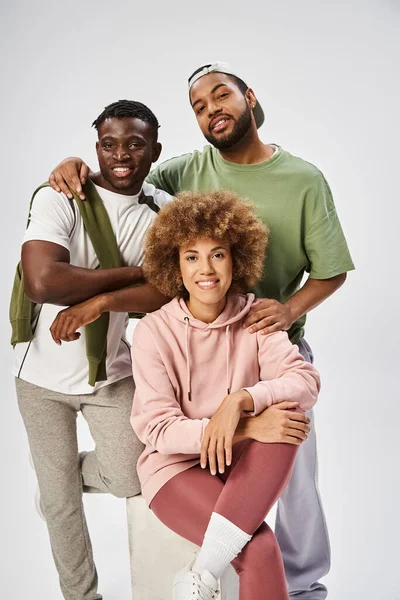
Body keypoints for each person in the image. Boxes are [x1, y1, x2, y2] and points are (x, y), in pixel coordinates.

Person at [47, 62, 355, 599]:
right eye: (198, 105)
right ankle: (216, 567)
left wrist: (281, 317)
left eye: (221, 96)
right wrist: (76, 167)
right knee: (258, 515)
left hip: (266, 330)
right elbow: (126, 174)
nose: (212, 109)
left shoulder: (304, 179)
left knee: (293, 456)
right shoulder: (186, 172)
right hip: (195, 365)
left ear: (249, 97)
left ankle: (300, 586)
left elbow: (331, 271)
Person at [10, 99, 172, 600]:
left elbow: (167, 289)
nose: (120, 155)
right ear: (95, 148)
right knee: (60, 510)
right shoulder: (61, 195)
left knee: (132, 475)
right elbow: (42, 280)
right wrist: (132, 274)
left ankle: (60, 476)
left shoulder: (163, 212)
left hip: (110, 376)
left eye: (135, 144)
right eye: (108, 144)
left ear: (155, 151)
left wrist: (101, 300)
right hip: (39, 380)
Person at [130, 190, 320, 600]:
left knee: (287, 411)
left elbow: (305, 381)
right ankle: (204, 574)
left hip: (239, 467)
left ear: (236, 259)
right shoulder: (152, 332)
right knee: (262, 548)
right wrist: (243, 426)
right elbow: (158, 430)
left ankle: (199, 575)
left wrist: (239, 402)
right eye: (191, 256)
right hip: (175, 472)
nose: (206, 269)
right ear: (174, 264)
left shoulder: (256, 317)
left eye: (217, 254)